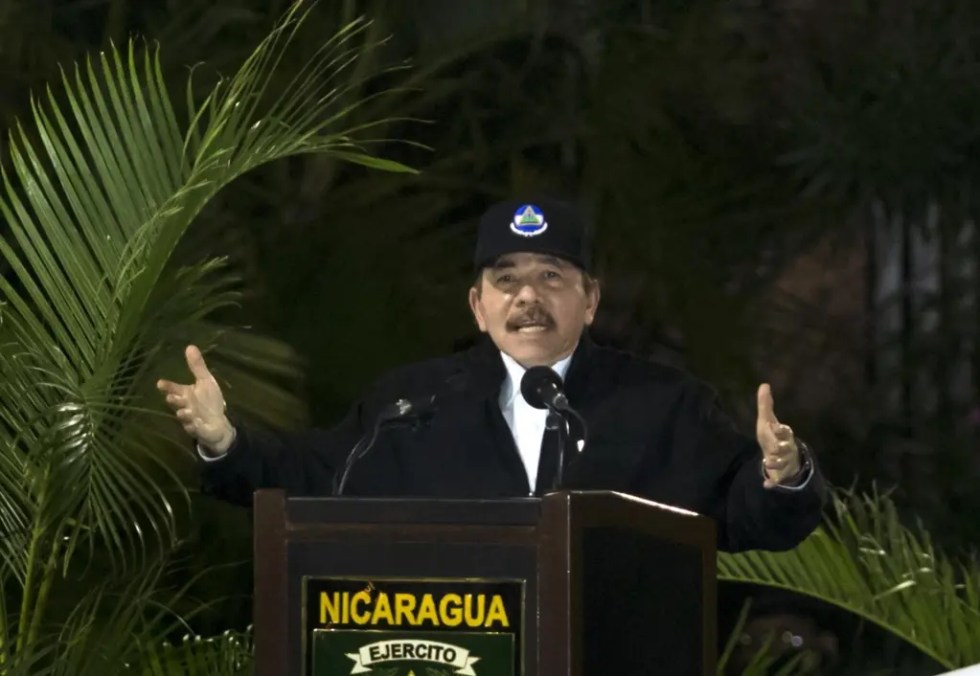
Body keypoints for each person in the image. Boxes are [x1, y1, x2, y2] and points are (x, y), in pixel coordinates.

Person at [158, 198, 826, 552]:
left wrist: (782, 476)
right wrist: (227, 442)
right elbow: (308, 478)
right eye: (506, 282)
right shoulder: (410, 404)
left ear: (589, 300)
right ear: (478, 307)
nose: (527, 298)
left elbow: (747, 518)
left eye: (550, 278)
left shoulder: (663, 404)